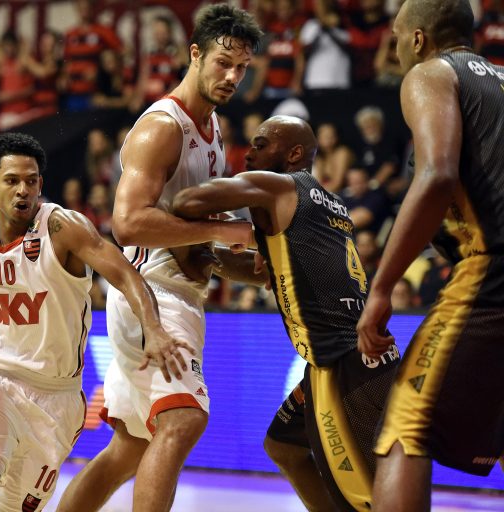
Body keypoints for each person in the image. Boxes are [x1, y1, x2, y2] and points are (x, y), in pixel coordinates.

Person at [0, 132, 191, 512]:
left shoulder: (63, 229)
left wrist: (154, 329)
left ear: (40, 183)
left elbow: (126, 275)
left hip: (55, 397)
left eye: (31, 180)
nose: (23, 190)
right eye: (12, 180)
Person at [56, 5, 261, 511]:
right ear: (195, 54)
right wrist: (222, 229)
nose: (232, 77)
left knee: (128, 449)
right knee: (183, 419)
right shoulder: (162, 127)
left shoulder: (213, 128)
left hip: (175, 290)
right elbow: (127, 223)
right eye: (223, 63)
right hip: (150, 291)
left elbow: (193, 236)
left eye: (241, 68)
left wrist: (247, 259)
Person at [171, 115, 401, 512]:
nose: (249, 153)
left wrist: (225, 231)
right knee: (283, 445)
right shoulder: (331, 204)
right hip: (360, 356)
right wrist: (213, 258)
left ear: (294, 154)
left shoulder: (279, 186)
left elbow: (186, 202)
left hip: (341, 365)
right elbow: (272, 275)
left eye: (261, 145)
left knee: (368, 499)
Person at [357, 1, 504, 510]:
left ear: (418, 39)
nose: (395, 47)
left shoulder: (431, 74)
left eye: (398, 36)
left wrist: (381, 287)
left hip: (491, 269)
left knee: (406, 426)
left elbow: (438, 175)